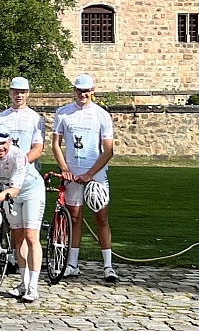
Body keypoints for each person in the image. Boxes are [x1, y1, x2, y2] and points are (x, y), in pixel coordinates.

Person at [52, 73, 117, 283]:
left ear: (93, 91)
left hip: (95, 174)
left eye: (87, 90)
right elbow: (55, 144)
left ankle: (108, 266)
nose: (83, 94)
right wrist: (64, 169)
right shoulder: (63, 113)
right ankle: (72, 264)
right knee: (74, 218)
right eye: (79, 90)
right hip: (72, 173)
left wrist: (90, 174)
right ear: (74, 91)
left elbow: (108, 151)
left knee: (102, 218)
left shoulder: (102, 115)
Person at [0, 121, 45, 302]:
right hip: (7, 193)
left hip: (30, 191)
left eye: (3, 143)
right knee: (17, 236)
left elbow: (15, 189)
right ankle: (23, 282)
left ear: (10, 142)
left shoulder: (19, 156)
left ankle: (33, 286)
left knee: (31, 235)